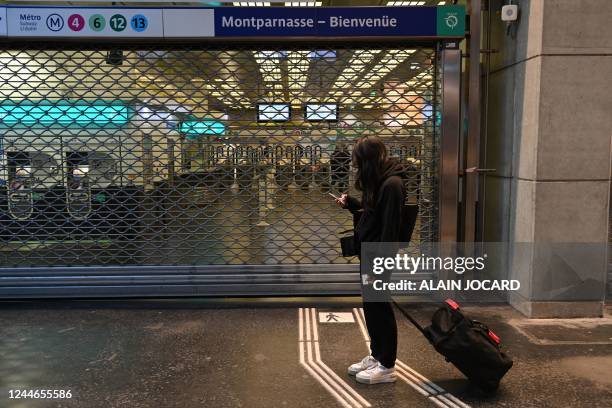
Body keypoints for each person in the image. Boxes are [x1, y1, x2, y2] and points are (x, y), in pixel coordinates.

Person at [335, 136, 410, 385]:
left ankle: (387, 365)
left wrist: (381, 264)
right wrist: (352, 205)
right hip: (370, 254)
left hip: (379, 257)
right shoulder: (381, 182)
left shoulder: (392, 185)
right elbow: (373, 215)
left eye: (358, 163)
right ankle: (377, 355)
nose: (356, 168)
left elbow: (390, 229)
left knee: (380, 308)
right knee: (371, 306)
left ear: (368, 161)